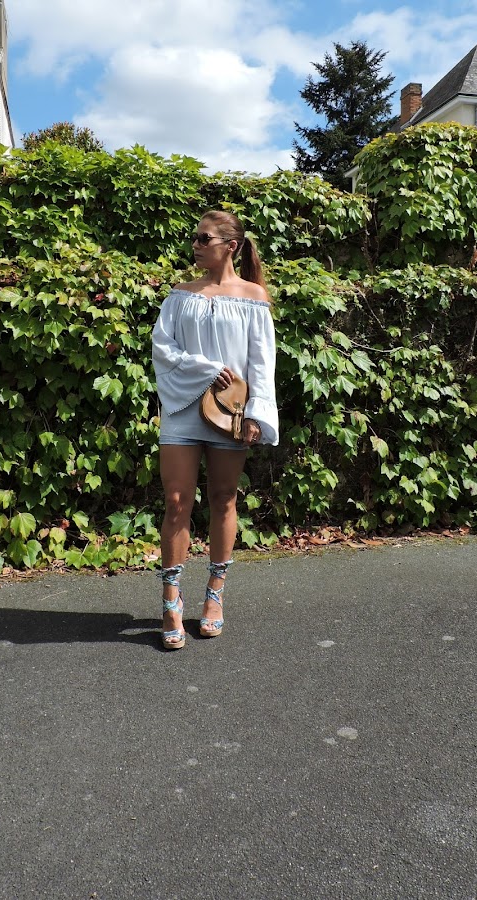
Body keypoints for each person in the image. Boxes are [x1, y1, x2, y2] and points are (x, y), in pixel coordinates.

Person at [151, 211, 278, 650]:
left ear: (231, 246)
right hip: (182, 407)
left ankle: (214, 594)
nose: (195, 244)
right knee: (176, 501)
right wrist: (205, 368)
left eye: (204, 238)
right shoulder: (180, 295)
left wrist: (257, 414)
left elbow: (262, 362)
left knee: (224, 498)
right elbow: (162, 349)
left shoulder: (253, 297)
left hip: (229, 412)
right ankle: (170, 599)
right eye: (194, 237)